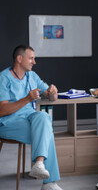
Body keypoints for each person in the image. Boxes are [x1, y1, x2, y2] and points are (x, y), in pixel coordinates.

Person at [0, 45, 62, 190]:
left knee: (43, 117)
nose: (34, 62)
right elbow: (2, 110)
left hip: (30, 119)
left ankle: (39, 164)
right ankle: (49, 183)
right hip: (8, 123)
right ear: (19, 59)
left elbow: (51, 96)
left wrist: (53, 92)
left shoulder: (32, 76)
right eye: (31, 58)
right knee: (47, 133)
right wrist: (27, 99)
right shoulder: (4, 78)